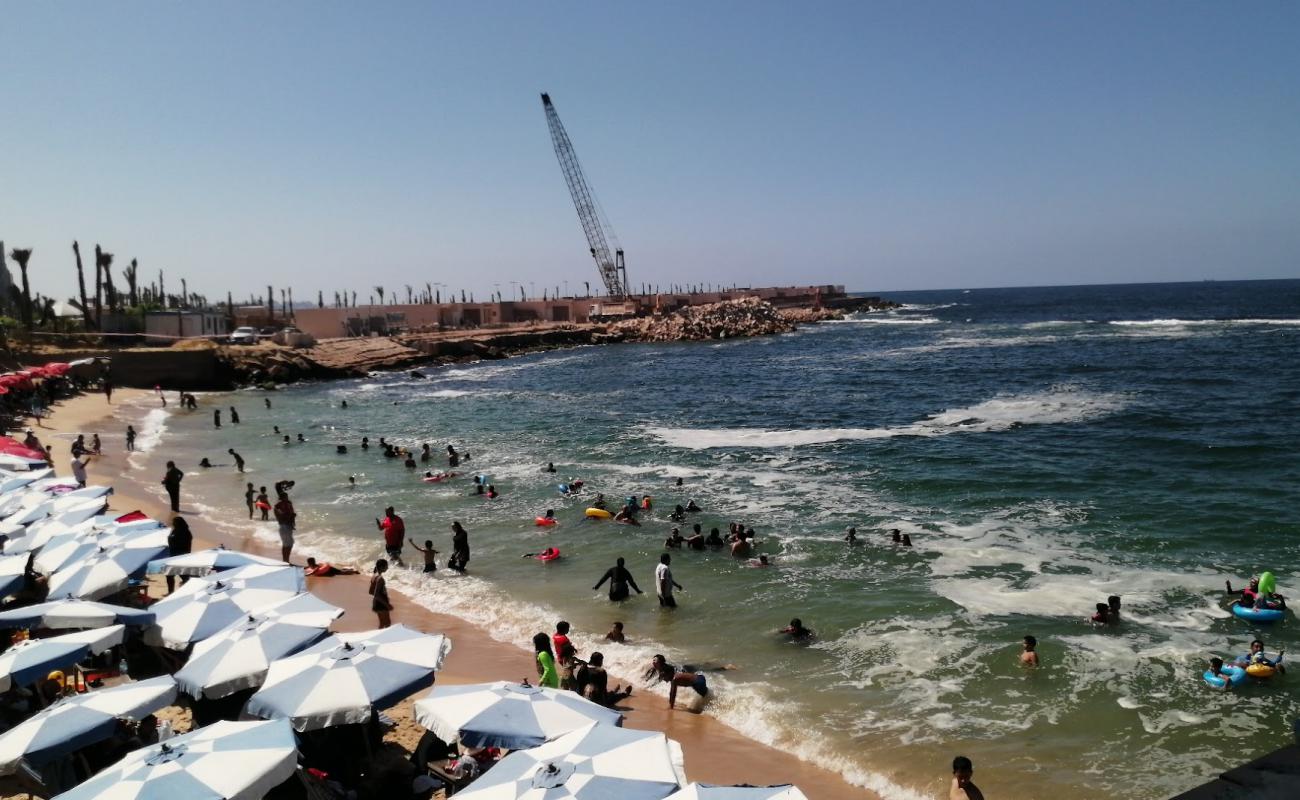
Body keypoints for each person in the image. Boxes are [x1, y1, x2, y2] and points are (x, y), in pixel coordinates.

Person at [165, 516, 193, 595]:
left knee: (181, 576)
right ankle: (171, 592)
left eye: (174, 522)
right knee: (171, 576)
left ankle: (172, 592)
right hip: (176, 557)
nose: (173, 524)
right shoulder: (179, 531)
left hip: (180, 557)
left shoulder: (184, 533)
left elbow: (175, 543)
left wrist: (170, 539)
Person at [273, 493, 296, 563]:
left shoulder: (279, 506)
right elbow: (283, 517)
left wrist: (292, 517)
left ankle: (285, 560)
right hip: (285, 526)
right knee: (289, 544)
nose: (287, 499)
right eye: (286, 497)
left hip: (285, 526)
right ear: (283, 498)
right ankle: (286, 560)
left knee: (286, 544)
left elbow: (283, 516)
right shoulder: (280, 506)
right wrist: (292, 516)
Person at [369, 559, 392, 628]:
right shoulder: (380, 578)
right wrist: (386, 604)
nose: (387, 568)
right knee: (387, 623)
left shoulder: (374, 576)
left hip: (376, 602)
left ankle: (381, 637)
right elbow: (376, 594)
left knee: (382, 623)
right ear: (382, 567)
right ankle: (386, 638)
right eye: (386, 566)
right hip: (381, 603)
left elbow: (370, 591)